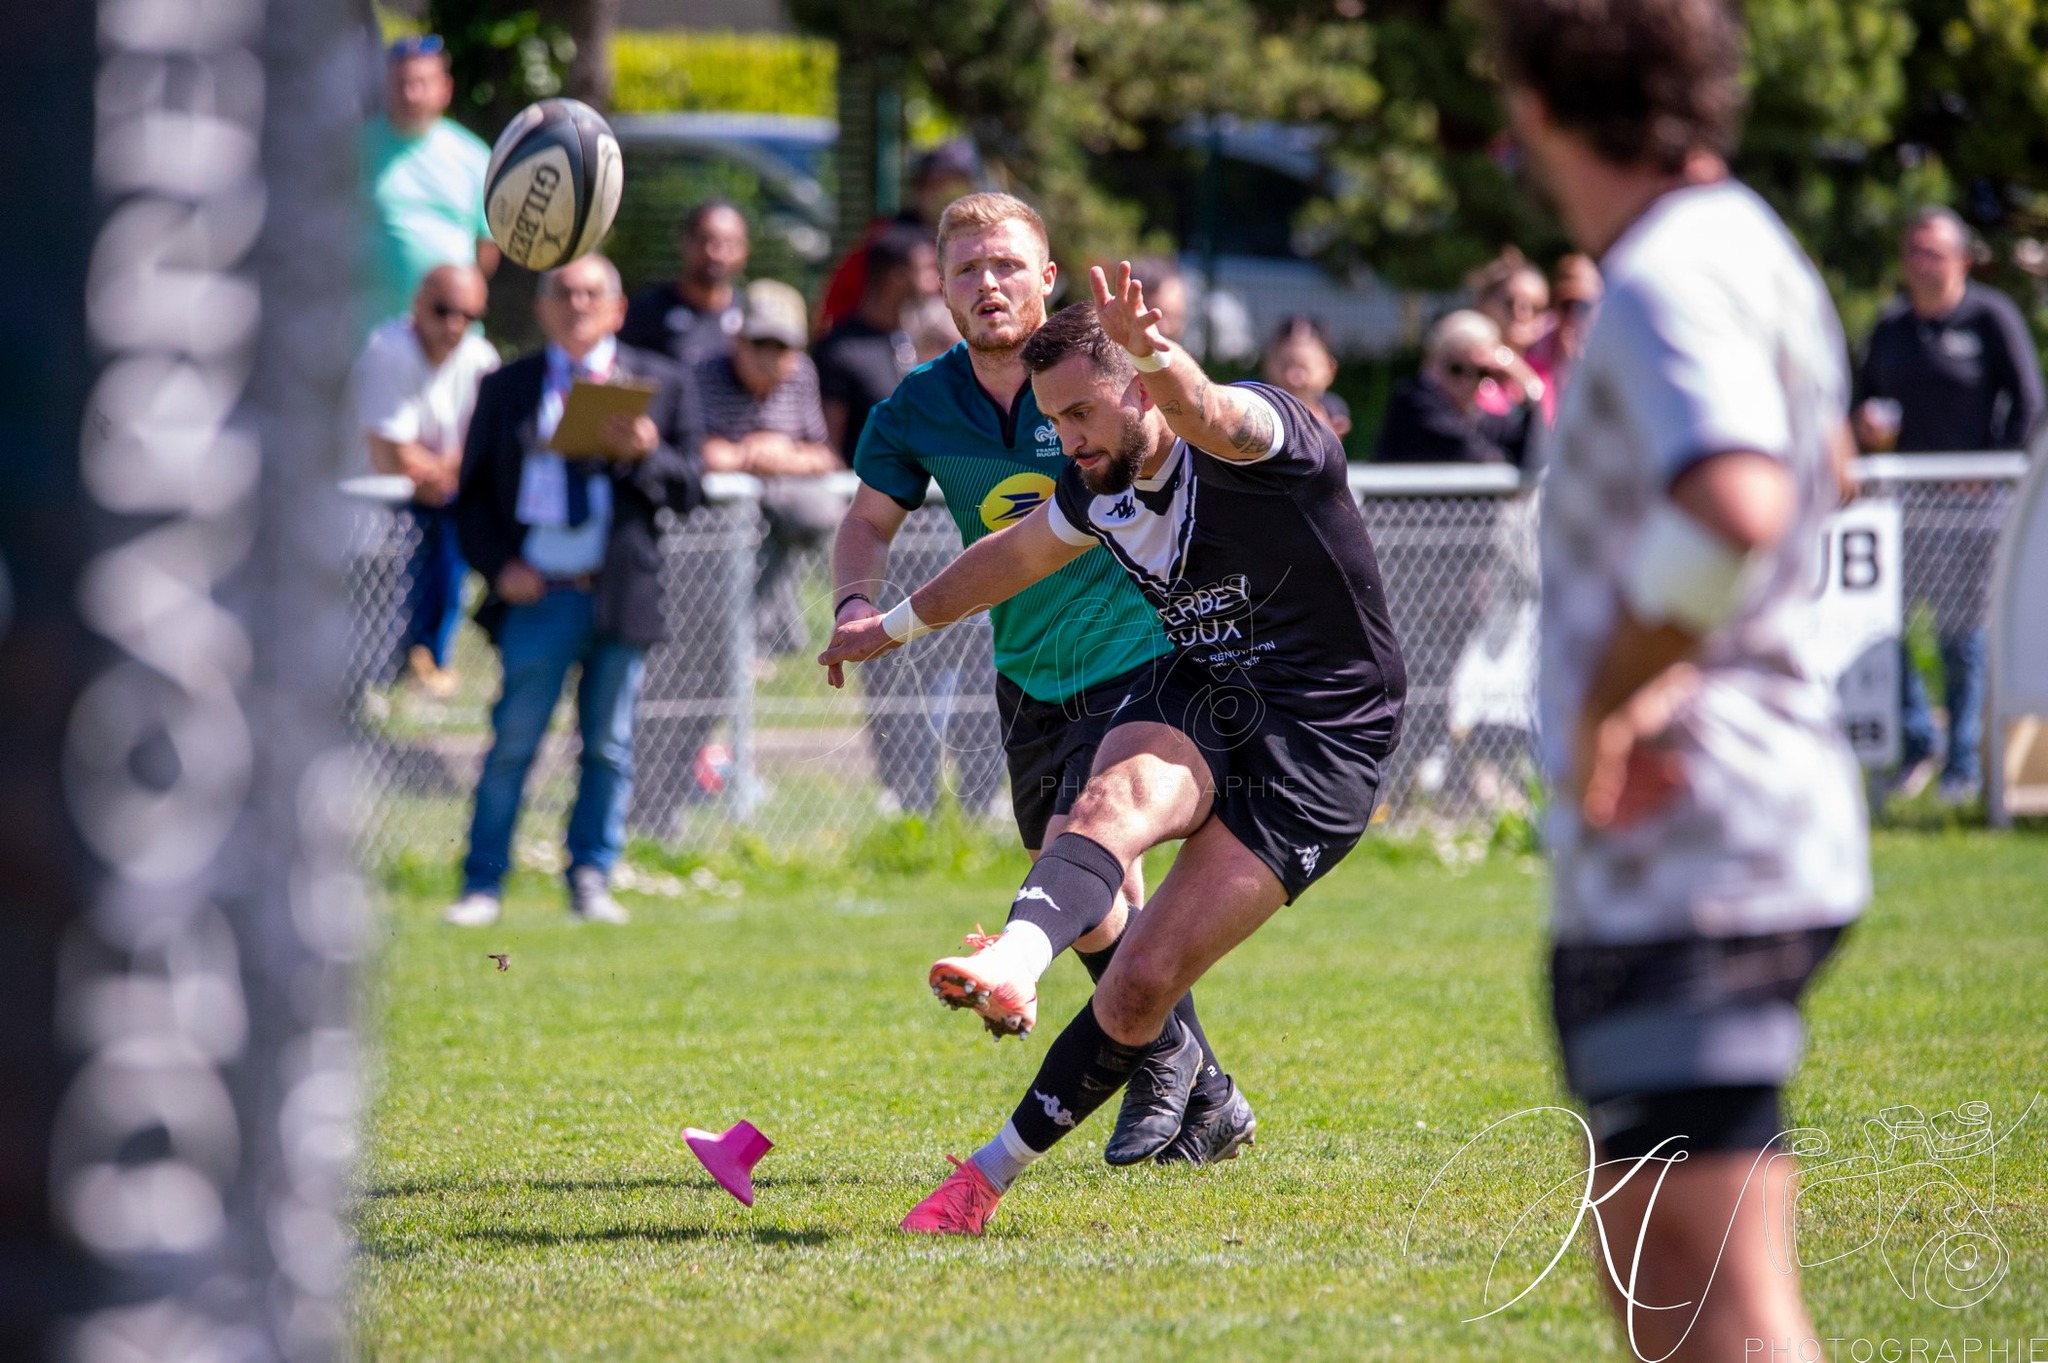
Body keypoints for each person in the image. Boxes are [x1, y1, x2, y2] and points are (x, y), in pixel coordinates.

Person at [822, 267, 1407, 1235]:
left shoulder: (1267, 436)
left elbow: (1210, 413)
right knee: (1099, 809)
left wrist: (1159, 357)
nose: (1070, 439)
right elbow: (1008, 558)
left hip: (1321, 735)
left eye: (1084, 412)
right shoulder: (1095, 485)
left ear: (1138, 382)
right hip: (1209, 688)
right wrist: (882, 628)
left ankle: (989, 1170)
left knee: (1141, 983)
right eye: (1057, 420)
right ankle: (1014, 963)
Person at [1492, 1, 1868, 1359]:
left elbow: (1736, 501)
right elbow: (1825, 468)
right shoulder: (1745, 243)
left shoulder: (1667, 274)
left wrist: (1616, 698)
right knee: (1664, 1293)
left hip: (1691, 845)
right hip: (1722, 827)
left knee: (1717, 1321)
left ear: (1533, 102)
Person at [828, 193, 1245, 1171]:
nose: (988, 285)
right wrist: (855, 600)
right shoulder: (920, 405)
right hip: (1025, 671)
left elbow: (1194, 434)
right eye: (967, 268)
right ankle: (1203, 1084)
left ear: (1046, 277)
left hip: (1142, 655)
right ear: (939, 285)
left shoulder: (1101, 374)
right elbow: (867, 520)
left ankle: (1155, 1070)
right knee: (1087, 897)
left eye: (1007, 265)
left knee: (1082, 850)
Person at [443, 255, 703, 928]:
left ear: (617, 310)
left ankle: (591, 876)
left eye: (593, 293)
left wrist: (646, 449)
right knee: (513, 741)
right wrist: (501, 566)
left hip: (619, 592)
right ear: (541, 307)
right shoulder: (507, 387)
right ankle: (483, 884)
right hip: (539, 596)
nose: (578, 303)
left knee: (609, 746)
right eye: (564, 292)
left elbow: (690, 487)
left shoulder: (662, 381)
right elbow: (467, 500)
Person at [1853, 206, 2044, 802]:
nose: (1921, 264)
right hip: (1903, 508)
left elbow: (2030, 402)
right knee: (1889, 630)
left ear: (1962, 258)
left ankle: (1963, 763)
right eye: (1913, 252)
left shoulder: (1990, 318)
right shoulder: (1891, 329)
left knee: (1963, 638)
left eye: (1934, 252)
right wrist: (1866, 430)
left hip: (1974, 511)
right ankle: (1919, 742)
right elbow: (1861, 406)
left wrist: (1990, 470)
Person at [352, 263, 499, 695]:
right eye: (442, 310)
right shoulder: (387, 351)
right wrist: (445, 471)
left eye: (469, 316)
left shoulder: (480, 356)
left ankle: (431, 656)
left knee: (455, 555)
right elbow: (389, 454)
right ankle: (383, 674)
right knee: (380, 608)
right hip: (377, 503)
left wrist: (443, 472)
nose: (455, 325)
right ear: (418, 303)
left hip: (440, 497)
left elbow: (480, 443)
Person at [695, 279, 840, 657]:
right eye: (760, 343)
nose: (770, 355)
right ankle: (756, 638)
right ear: (737, 340)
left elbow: (822, 456)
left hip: (781, 514)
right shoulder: (705, 372)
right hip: (714, 524)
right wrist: (751, 452)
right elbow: (701, 452)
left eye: (783, 346)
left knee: (817, 511)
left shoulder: (802, 375)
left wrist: (781, 454)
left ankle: (763, 638)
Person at [358, 35, 497, 335]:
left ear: (445, 89)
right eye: (402, 83)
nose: (411, 94)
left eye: (422, 83)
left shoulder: (474, 156)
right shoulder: (353, 151)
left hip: (452, 338)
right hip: (370, 338)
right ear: (386, 87)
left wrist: (449, 296)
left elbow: (487, 248)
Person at [815, 141, 979, 337]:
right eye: (936, 183)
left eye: (957, 183)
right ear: (920, 188)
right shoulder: (890, 238)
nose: (947, 193)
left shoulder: (982, 239)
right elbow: (834, 307)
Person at [815, 226, 939, 460]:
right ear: (898, 276)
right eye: (928, 270)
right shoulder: (839, 349)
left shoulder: (914, 340)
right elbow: (828, 447)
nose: (938, 281)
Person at [1374, 311, 1534, 465]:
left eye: (1481, 371)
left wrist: (1523, 378)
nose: (1467, 380)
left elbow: (1530, 447)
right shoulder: (1413, 401)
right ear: (1432, 362)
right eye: (1456, 368)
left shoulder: (1479, 417)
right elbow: (1466, 451)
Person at [620, 200, 750, 371]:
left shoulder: (751, 316)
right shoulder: (647, 311)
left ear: (745, 250)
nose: (718, 254)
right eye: (707, 240)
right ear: (685, 242)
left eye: (730, 243)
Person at [1468, 246, 1550, 422]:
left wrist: (1519, 372)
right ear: (1484, 304)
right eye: (1510, 303)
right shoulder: (1465, 364)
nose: (1523, 314)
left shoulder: (1543, 373)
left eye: (1535, 308)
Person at [1524, 253, 1602, 422]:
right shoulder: (1535, 340)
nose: (1573, 315)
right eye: (1566, 305)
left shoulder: (1612, 342)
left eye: (1582, 306)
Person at [1261, 314, 1352, 438]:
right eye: (1284, 366)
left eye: (1303, 368)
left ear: (1330, 370)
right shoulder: (1256, 409)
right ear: (1267, 364)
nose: (1292, 378)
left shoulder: (1332, 412)